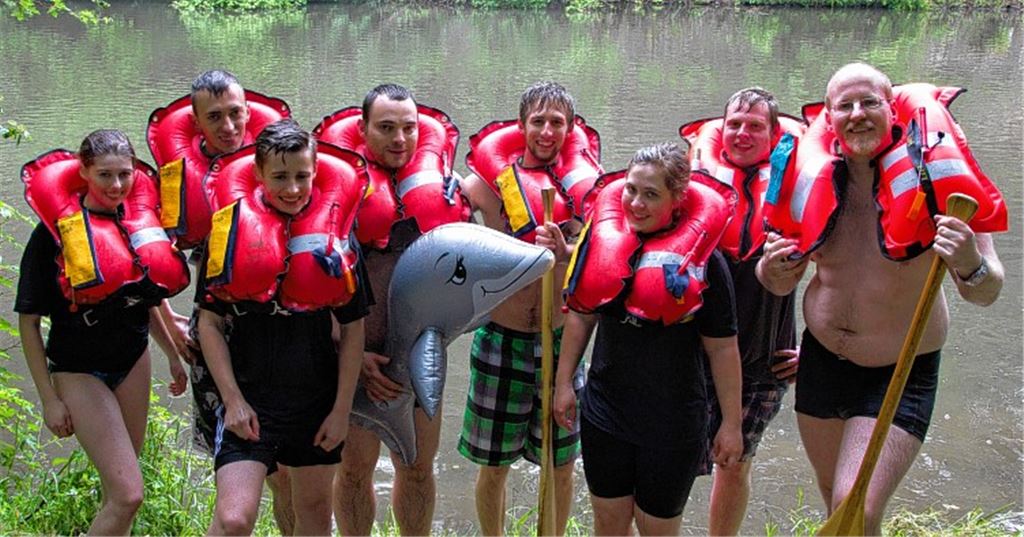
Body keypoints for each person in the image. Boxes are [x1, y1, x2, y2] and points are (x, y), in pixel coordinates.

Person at [757, 62, 1005, 535]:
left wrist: (970, 258)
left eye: (869, 102)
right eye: (844, 105)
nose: (857, 114)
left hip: (901, 368)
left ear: (892, 109)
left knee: (859, 507)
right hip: (824, 362)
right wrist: (772, 271)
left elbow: (987, 292)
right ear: (827, 116)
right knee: (838, 504)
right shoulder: (809, 177)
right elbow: (778, 283)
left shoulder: (935, 178)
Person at [552, 142, 744, 536]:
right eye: (631, 189)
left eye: (651, 194)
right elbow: (581, 318)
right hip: (605, 410)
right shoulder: (601, 240)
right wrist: (563, 383)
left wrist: (731, 424)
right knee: (608, 523)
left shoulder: (706, 263)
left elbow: (723, 349)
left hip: (672, 421)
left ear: (677, 200)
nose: (635, 203)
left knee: (656, 528)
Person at [197, 119, 368, 536]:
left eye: (302, 176)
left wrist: (342, 410)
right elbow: (209, 323)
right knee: (235, 517)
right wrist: (233, 401)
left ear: (315, 172)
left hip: (316, 399)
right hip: (249, 398)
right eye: (279, 177)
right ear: (258, 173)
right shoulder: (227, 233)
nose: (292, 188)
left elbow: (353, 331)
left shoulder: (338, 236)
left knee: (312, 510)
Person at [148, 69, 300, 534]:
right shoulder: (178, 180)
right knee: (245, 469)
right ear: (196, 122)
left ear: (248, 112)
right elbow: (143, 261)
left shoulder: (283, 166)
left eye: (235, 113)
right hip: (216, 328)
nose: (228, 126)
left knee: (290, 474)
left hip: (285, 330)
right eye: (214, 117)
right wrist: (167, 325)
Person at [16, 129, 188, 535]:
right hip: (77, 369)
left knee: (119, 496)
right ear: (84, 172)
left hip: (131, 359)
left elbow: (144, 298)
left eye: (124, 175)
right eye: (105, 175)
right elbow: (28, 322)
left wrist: (172, 355)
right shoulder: (54, 234)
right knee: (129, 494)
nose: (116, 186)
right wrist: (48, 399)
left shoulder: (139, 224)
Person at [326, 83, 470, 536]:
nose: (400, 139)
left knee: (417, 467)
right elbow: (313, 287)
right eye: (386, 128)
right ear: (363, 130)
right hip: (357, 357)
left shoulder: (444, 187)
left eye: (408, 128)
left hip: (422, 353)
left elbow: (470, 274)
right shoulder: (335, 196)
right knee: (353, 471)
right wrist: (349, 352)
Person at [459, 81, 596, 536]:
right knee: (493, 466)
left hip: (559, 344)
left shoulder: (588, 191)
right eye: (537, 121)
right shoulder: (486, 187)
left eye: (557, 122)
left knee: (560, 465)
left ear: (570, 129)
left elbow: (607, 255)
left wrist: (567, 246)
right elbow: (446, 220)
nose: (546, 131)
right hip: (501, 339)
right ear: (521, 127)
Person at [686, 88, 799, 535]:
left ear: (774, 135)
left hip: (764, 359)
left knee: (735, 463)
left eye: (755, 126)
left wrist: (819, 348)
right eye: (734, 123)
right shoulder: (693, 189)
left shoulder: (800, 194)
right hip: (696, 355)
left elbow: (839, 275)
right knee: (674, 456)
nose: (743, 133)